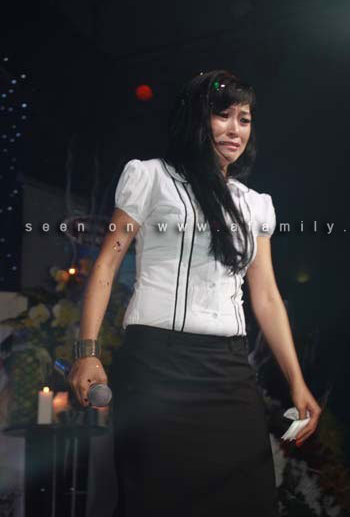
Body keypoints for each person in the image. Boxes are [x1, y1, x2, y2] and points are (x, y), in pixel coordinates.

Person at [68, 69, 322, 516]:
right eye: (223, 115)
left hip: (229, 370)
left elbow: (266, 296)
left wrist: (297, 382)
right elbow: (106, 265)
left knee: (249, 500)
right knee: (156, 501)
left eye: (244, 119)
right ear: (196, 120)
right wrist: (87, 352)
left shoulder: (254, 204)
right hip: (157, 366)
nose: (235, 129)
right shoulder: (150, 177)